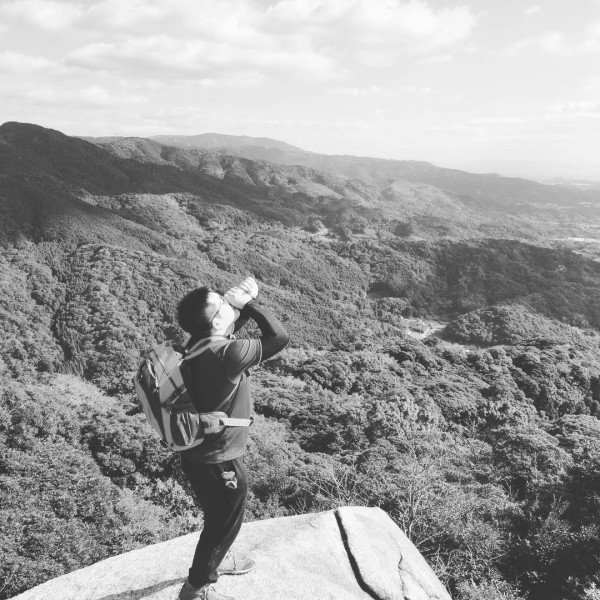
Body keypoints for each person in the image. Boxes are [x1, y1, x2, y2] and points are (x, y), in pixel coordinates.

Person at [176, 277, 289, 600]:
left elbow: (222, 329)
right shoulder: (229, 354)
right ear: (215, 321)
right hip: (221, 460)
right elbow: (279, 337)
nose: (229, 306)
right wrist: (249, 304)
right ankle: (196, 587)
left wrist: (237, 306)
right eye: (223, 305)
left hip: (196, 453)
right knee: (223, 524)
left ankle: (216, 560)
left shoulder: (195, 345)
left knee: (217, 517)